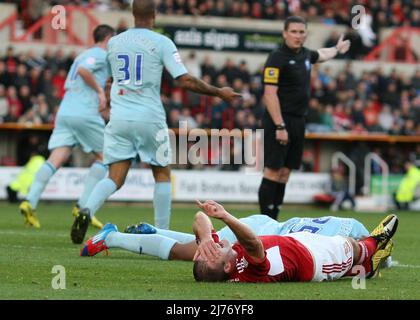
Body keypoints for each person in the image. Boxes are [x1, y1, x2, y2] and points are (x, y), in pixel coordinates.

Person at [71, 0, 241, 244]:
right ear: (154, 15)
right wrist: (218, 92)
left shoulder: (115, 42)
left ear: (132, 14)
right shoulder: (161, 42)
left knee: (114, 177)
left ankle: (87, 209)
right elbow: (184, 80)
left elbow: (110, 76)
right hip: (149, 117)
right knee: (162, 173)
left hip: (119, 116)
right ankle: (162, 233)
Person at [19, 25, 116, 230]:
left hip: (65, 112)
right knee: (105, 157)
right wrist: (99, 91)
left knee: (56, 158)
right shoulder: (99, 54)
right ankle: (83, 207)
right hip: (84, 113)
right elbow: (84, 71)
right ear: (107, 38)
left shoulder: (82, 54)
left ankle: (30, 201)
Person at [258, 16, 351, 220]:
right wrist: (279, 125)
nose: (298, 36)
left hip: (299, 120)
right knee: (273, 171)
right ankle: (265, 221)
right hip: (280, 120)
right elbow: (269, 94)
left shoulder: (305, 55)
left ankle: (275, 216)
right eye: (293, 31)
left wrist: (337, 49)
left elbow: (322, 54)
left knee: (285, 172)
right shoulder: (276, 58)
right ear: (284, 33)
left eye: (301, 32)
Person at [192, 200, 398, 283]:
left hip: (293, 242)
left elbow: (199, 217)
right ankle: (373, 243)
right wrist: (226, 216)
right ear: (227, 266)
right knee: (351, 246)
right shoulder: (245, 270)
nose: (214, 247)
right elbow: (254, 243)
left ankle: (367, 269)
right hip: (314, 260)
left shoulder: (226, 255)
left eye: (207, 249)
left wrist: (206, 239)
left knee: (348, 254)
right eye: (212, 253)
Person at [79, 211, 370, 262]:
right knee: (190, 252)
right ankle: (112, 237)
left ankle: (154, 232)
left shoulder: (348, 223)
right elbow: (373, 256)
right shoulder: (355, 238)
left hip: (266, 225)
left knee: (200, 243)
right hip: (257, 235)